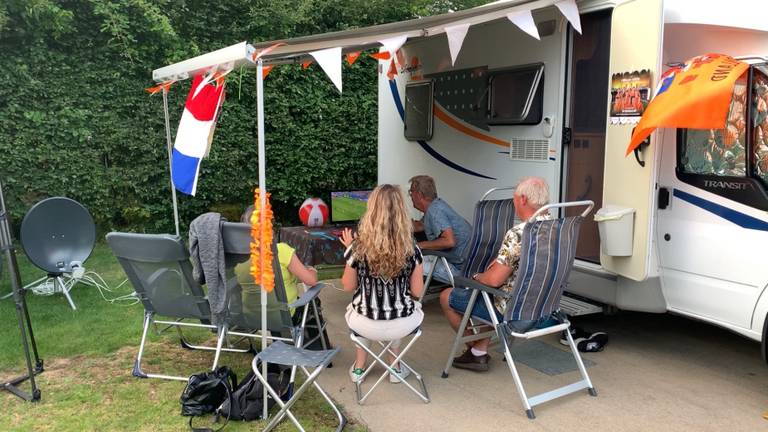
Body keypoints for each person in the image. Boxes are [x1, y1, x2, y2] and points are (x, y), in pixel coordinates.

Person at [440, 176, 553, 372]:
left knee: (449, 296)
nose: (514, 202)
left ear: (523, 200)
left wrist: (478, 277)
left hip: (515, 312)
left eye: (514, 198)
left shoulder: (518, 233)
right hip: (545, 307)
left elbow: (493, 280)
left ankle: (475, 350)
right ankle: (479, 351)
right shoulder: (556, 228)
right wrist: (502, 262)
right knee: (490, 297)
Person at [340, 184, 425, 383]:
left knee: (357, 307)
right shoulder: (412, 250)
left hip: (365, 324)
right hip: (402, 324)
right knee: (403, 306)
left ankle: (360, 367)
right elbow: (418, 291)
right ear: (402, 213)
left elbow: (347, 286)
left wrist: (349, 250)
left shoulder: (358, 248)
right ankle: (394, 367)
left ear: (372, 212)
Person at [408, 175, 472, 284]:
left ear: (419, 195)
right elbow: (419, 226)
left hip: (462, 270)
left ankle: (411, 298)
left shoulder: (435, 211)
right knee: (416, 257)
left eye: (411, 192)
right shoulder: (436, 206)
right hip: (468, 263)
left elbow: (449, 241)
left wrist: (419, 246)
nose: (410, 196)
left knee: (409, 263)